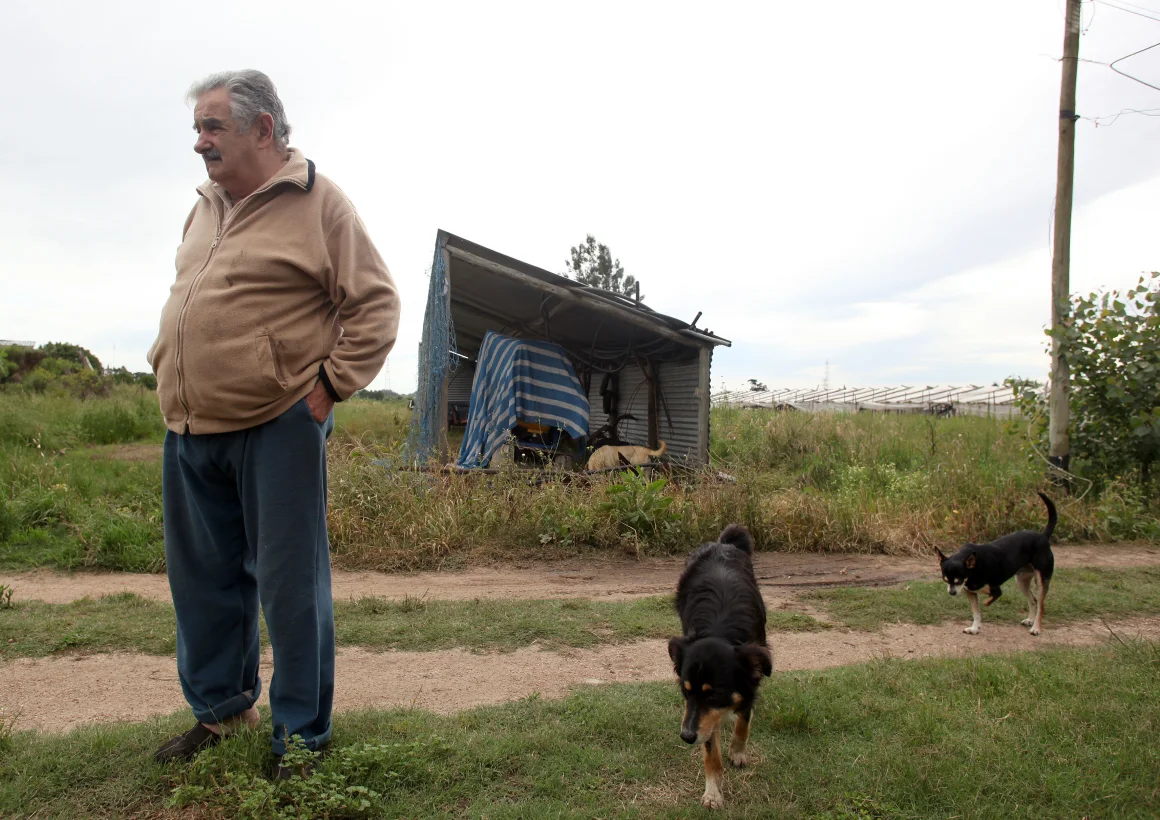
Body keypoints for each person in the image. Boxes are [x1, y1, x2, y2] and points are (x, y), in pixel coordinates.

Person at [147, 70, 400, 777]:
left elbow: (376, 305)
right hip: (190, 426)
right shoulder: (204, 206)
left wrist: (329, 387)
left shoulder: (320, 202)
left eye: (213, 127)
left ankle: (302, 736)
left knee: (291, 591)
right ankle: (223, 712)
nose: (199, 142)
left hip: (276, 424)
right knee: (203, 584)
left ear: (263, 128)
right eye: (197, 128)